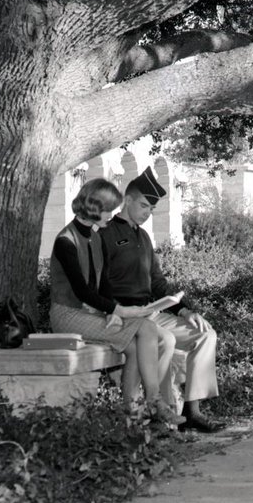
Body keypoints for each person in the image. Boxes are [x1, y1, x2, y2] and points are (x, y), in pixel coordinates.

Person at [48, 178, 184, 424]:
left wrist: (112, 311)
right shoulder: (65, 240)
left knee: (134, 348)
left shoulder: (95, 236)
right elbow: (81, 291)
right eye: (108, 209)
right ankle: (154, 402)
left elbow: (103, 285)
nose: (111, 215)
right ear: (93, 208)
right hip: (68, 315)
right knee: (147, 327)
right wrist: (120, 310)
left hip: (90, 313)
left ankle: (130, 414)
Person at [100, 167, 225, 433]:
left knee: (206, 334)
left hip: (154, 313)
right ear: (128, 199)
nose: (147, 213)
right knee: (162, 341)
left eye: (151, 209)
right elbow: (96, 284)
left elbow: (157, 283)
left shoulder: (144, 237)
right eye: (143, 206)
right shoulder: (105, 234)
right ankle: (163, 416)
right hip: (126, 316)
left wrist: (184, 311)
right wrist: (119, 310)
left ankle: (192, 412)